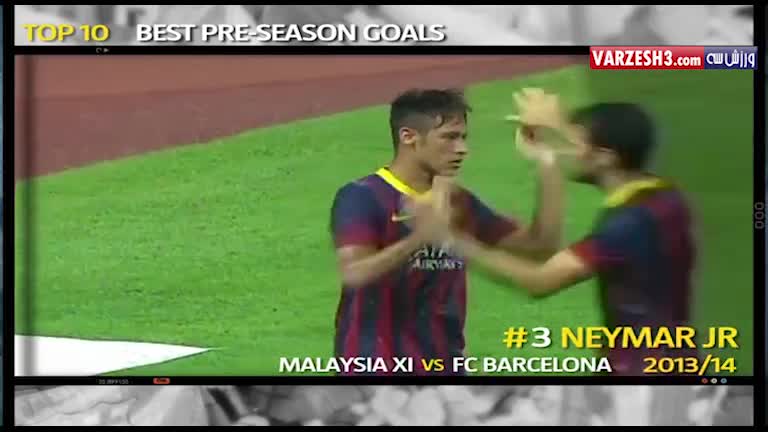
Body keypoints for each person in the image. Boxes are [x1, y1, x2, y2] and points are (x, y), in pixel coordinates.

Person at [418, 92, 697, 376]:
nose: (567, 151)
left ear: (605, 158)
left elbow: (539, 281)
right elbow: (539, 247)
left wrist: (448, 239)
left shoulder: (627, 225)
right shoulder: (666, 199)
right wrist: (546, 157)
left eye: (576, 144)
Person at [329, 88, 564, 375]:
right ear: (409, 137)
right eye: (450, 137)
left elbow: (539, 248)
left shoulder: (459, 201)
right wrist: (420, 238)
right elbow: (354, 273)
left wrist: (547, 160)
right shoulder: (363, 195)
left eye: (463, 137)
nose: (462, 148)